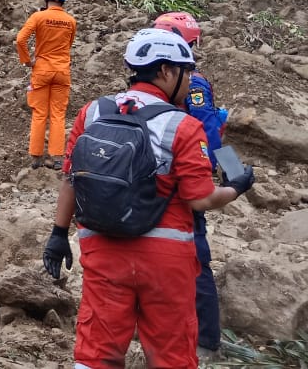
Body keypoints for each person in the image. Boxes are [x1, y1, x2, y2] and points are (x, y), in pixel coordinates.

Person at [42, 28, 254, 369]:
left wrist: (57, 234)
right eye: (188, 72)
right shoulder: (182, 125)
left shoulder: (92, 112)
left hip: (102, 249)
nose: (191, 80)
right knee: (170, 353)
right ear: (167, 71)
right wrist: (238, 187)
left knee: (97, 350)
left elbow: (71, 178)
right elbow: (199, 198)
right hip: (165, 260)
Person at [153, 12, 227, 360]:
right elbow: (209, 131)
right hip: (176, 176)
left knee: (186, 260)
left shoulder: (181, 84)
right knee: (188, 260)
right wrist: (232, 170)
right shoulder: (187, 83)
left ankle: (199, 340)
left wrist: (226, 168)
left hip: (169, 178)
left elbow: (207, 130)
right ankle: (197, 340)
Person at [16, 0, 77, 169]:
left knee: (40, 113)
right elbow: (69, 45)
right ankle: (57, 158)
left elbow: (20, 39)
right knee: (58, 115)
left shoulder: (38, 16)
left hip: (42, 70)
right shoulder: (70, 21)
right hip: (62, 71)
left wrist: (27, 61)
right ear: (64, 0)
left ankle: (36, 157)